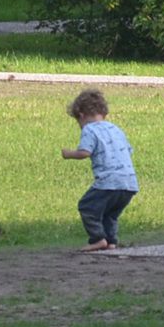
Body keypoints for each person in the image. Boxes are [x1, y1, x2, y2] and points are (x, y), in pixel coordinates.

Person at [60, 88, 138, 251]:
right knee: (110, 214)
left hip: (108, 181)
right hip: (129, 182)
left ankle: (97, 239)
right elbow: (129, 151)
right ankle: (111, 242)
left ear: (81, 115)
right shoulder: (115, 129)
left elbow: (84, 152)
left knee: (87, 206)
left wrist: (68, 154)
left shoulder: (89, 129)